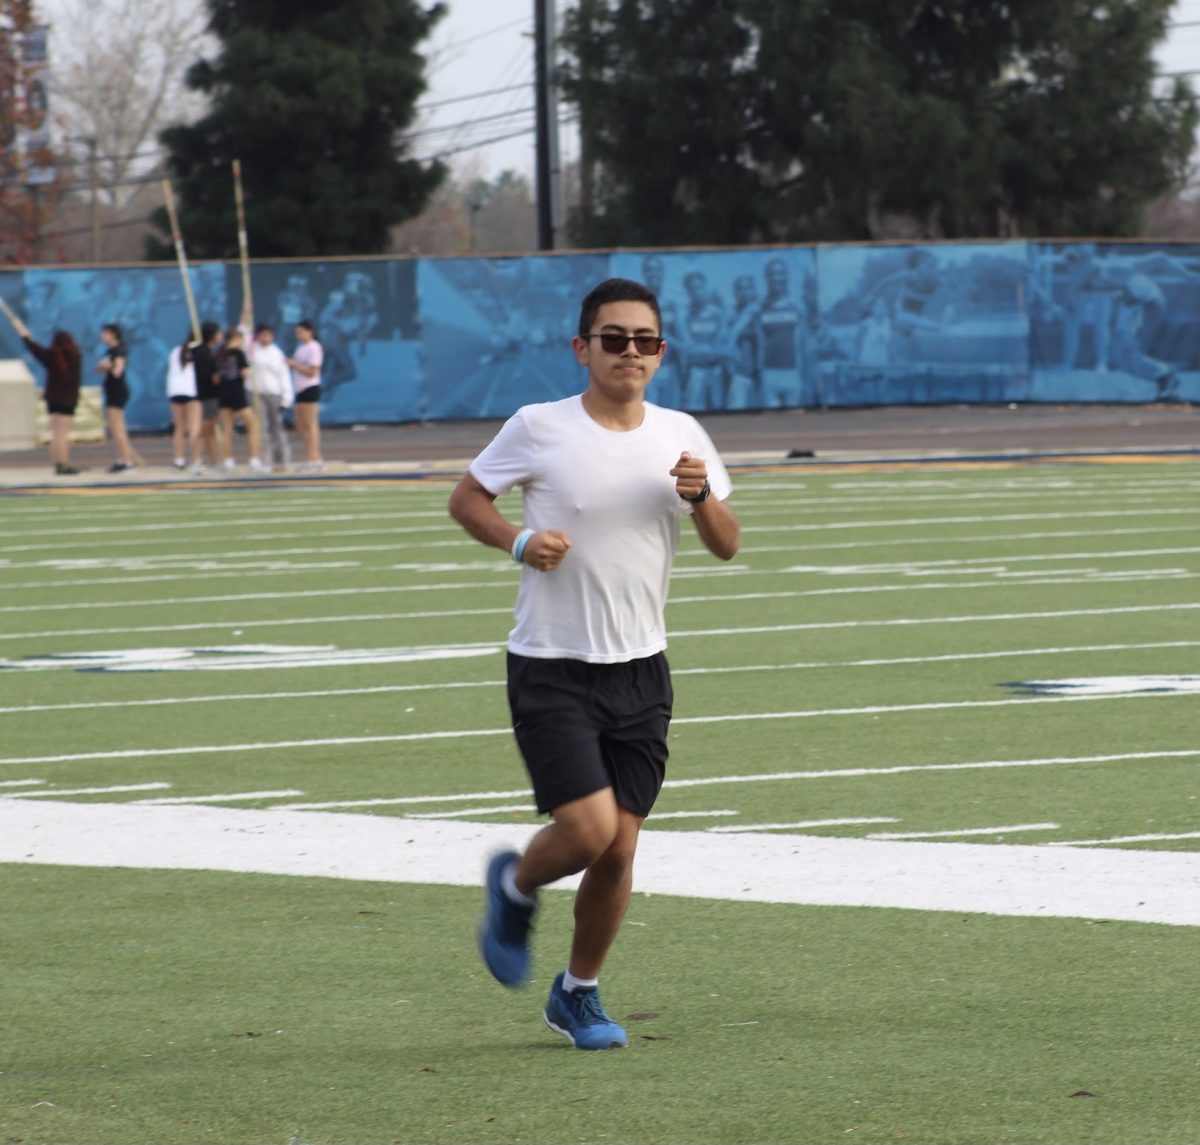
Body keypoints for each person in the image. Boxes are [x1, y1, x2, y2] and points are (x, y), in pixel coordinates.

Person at [448, 277, 740, 1051]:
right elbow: (467, 497)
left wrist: (703, 493)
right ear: (583, 348)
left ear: (661, 352)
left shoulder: (682, 434)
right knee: (585, 829)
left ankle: (577, 992)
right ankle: (515, 885)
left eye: (645, 340)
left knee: (619, 848)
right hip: (551, 663)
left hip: (641, 668)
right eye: (615, 339)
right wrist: (517, 540)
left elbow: (728, 541)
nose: (631, 353)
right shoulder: (540, 427)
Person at [10, 313, 82, 475]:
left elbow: (35, 349)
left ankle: (58, 463)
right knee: (63, 434)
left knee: (55, 434)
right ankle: (64, 463)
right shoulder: (76, 356)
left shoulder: (52, 355)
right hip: (68, 399)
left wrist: (23, 333)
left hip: (53, 399)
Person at [216, 327, 264, 471]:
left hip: (223, 394)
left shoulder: (219, 355)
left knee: (227, 429)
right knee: (253, 424)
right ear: (236, 339)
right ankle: (254, 460)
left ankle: (227, 460)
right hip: (237, 393)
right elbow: (245, 374)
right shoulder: (238, 353)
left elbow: (216, 378)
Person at [249, 324, 293, 471]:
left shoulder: (277, 353)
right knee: (261, 428)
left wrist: (287, 398)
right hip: (256, 394)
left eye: (268, 334)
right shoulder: (252, 350)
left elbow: (284, 376)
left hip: (274, 394)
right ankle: (265, 460)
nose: (265, 338)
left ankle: (282, 460)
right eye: (262, 334)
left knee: (277, 428)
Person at [95, 323, 136, 472]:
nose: (102, 336)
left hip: (117, 390)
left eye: (105, 333)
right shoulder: (110, 350)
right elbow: (100, 368)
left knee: (118, 426)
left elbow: (118, 370)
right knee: (114, 426)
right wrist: (101, 367)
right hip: (112, 389)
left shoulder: (119, 350)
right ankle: (121, 458)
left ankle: (127, 460)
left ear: (112, 334)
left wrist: (108, 367)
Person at [286, 319, 324, 470]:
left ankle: (313, 458)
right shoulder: (301, 348)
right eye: (297, 332)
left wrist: (295, 365)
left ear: (310, 331)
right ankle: (314, 454)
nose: (298, 335)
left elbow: (312, 371)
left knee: (310, 424)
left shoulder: (314, 347)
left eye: (301, 332)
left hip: (310, 387)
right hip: (300, 389)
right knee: (299, 423)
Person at [191, 321, 223, 473]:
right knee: (205, 429)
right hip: (209, 395)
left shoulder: (200, 351)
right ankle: (197, 460)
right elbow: (213, 377)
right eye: (218, 333)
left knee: (210, 431)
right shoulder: (206, 353)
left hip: (205, 394)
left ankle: (214, 460)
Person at [166, 332, 200, 470]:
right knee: (193, 428)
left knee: (179, 428)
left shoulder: (176, 350)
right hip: (191, 392)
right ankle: (196, 460)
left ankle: (178, 459)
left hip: (174, 392)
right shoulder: (197, 351)